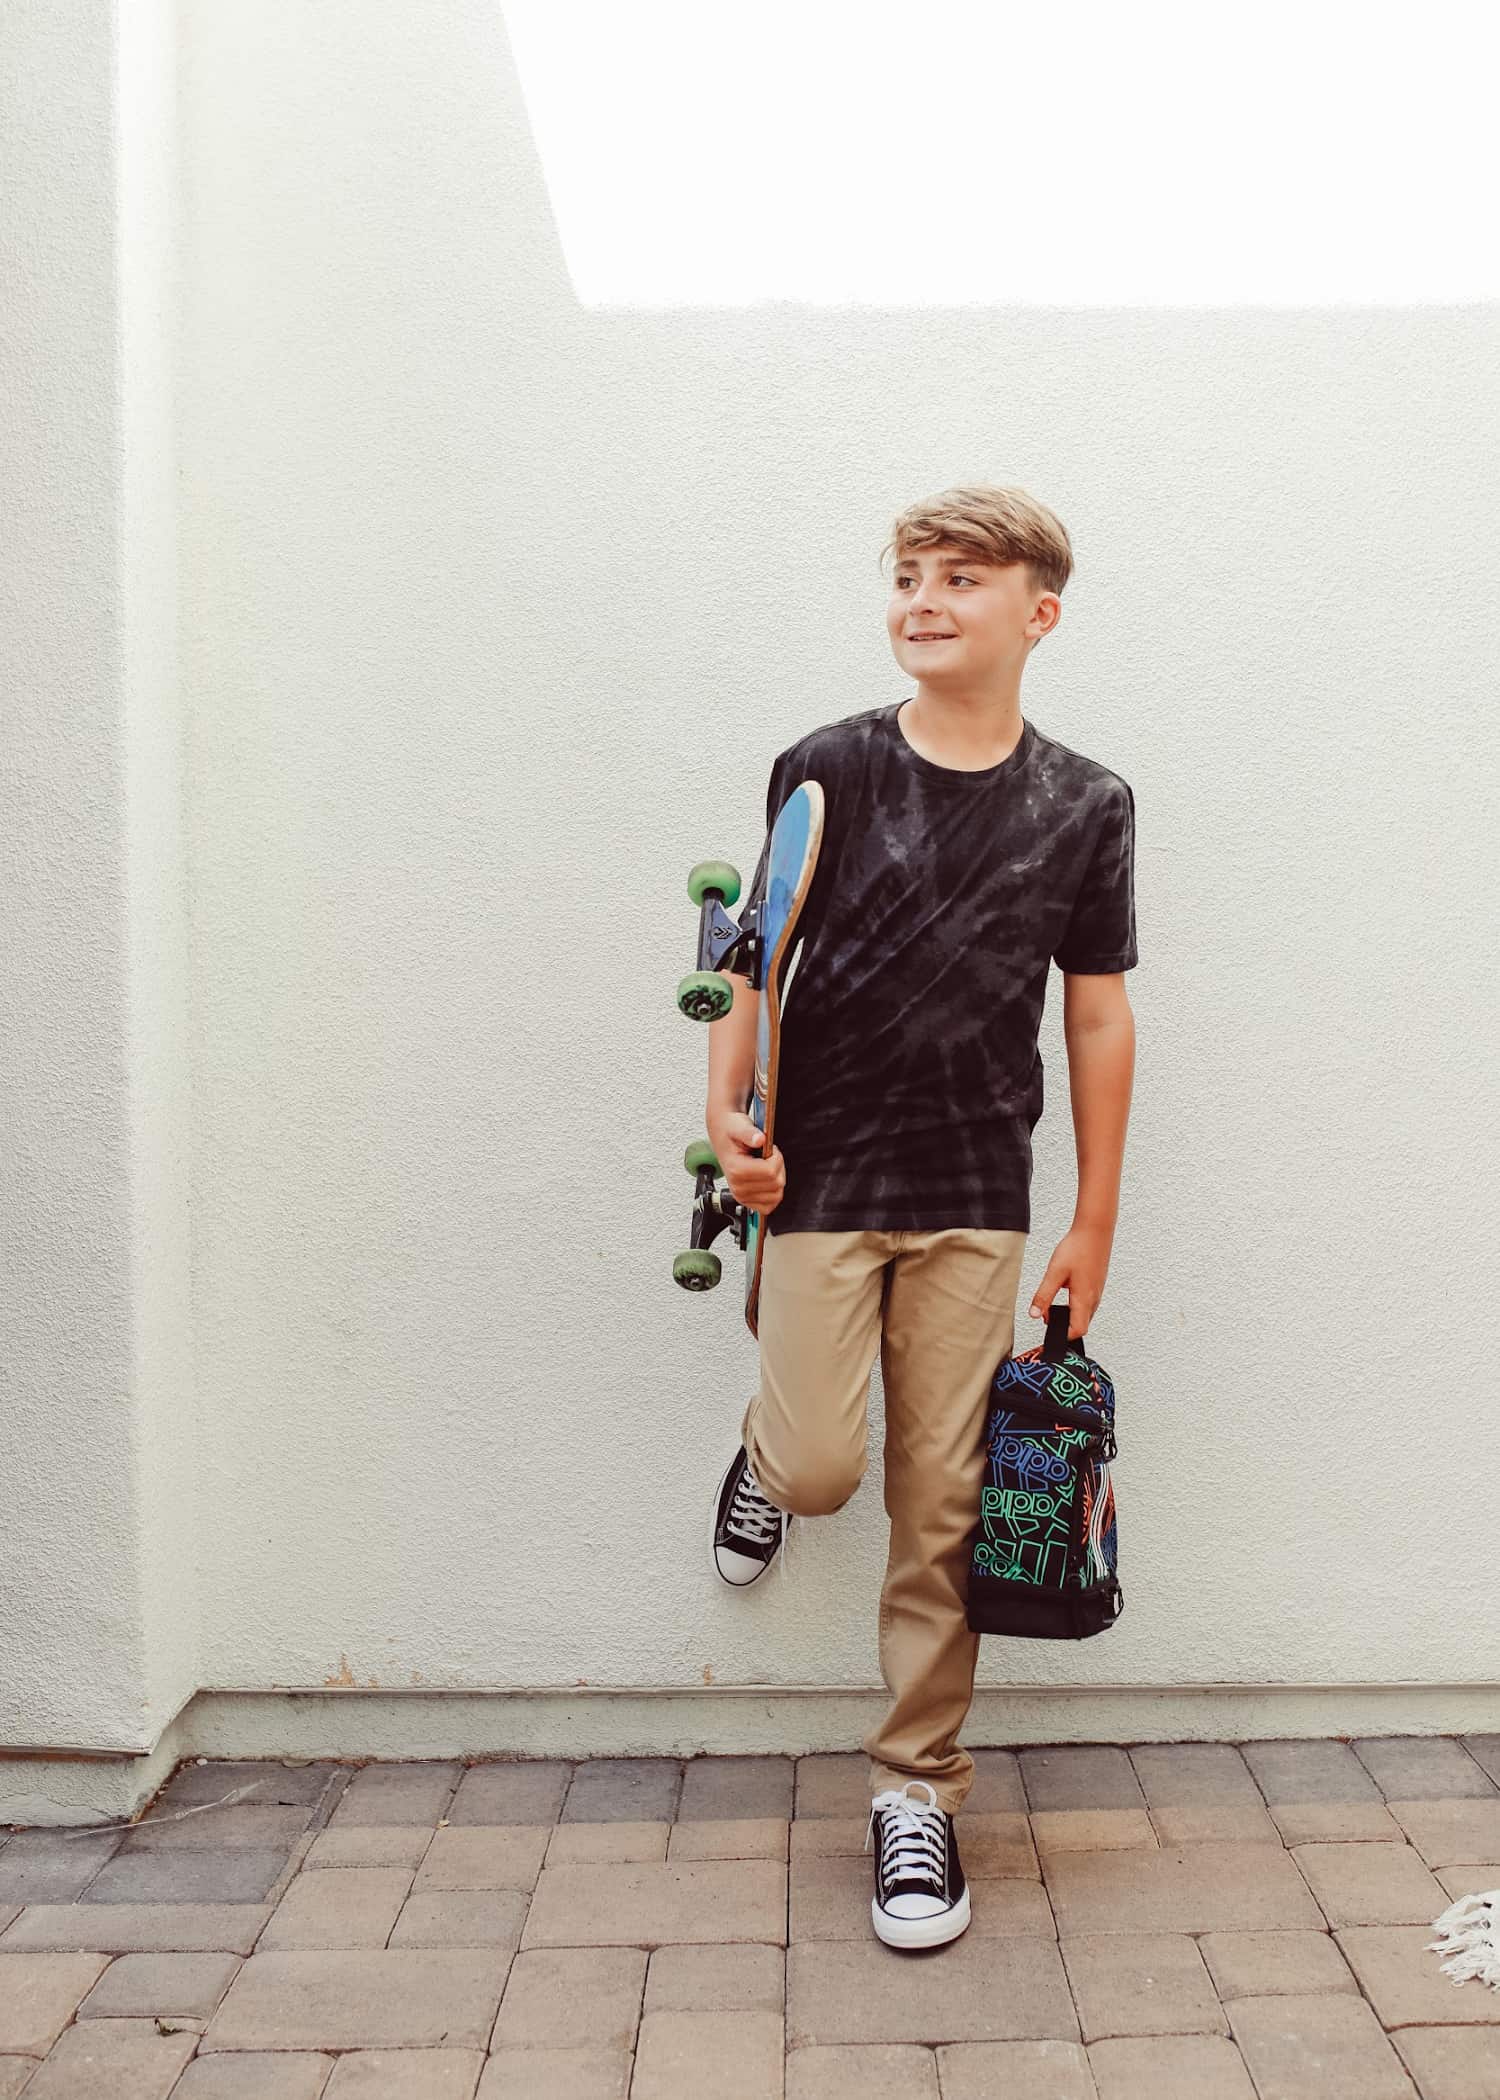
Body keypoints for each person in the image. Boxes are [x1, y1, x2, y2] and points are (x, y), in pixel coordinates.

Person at [704, 484, 1139, 1950]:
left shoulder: (1087, 804)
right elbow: (747, 962)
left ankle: (918, 1792)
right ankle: (768, 1453)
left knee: (940, 1513)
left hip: (975, 1194)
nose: (924, 599)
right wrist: (731, 1122)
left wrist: (1094, 1217)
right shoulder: (825, 767)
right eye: (906, 575)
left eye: (962, 576)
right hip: (820, 1179)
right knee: (829, 1470)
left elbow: (1094, 1019)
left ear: (1040, 611)